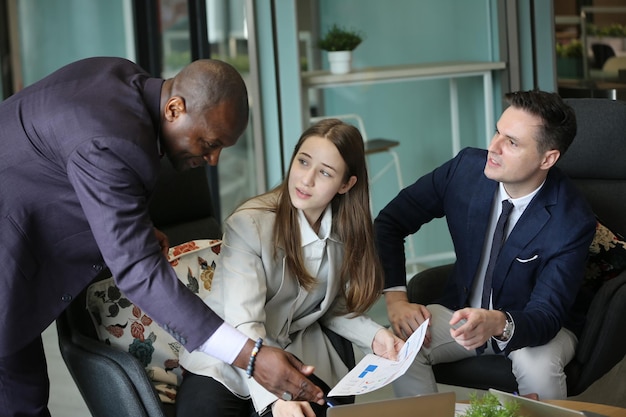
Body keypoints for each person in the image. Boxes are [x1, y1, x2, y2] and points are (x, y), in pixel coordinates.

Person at [0, 56, 325, 417]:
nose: (213, 159)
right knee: (18, 401)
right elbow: (140, 273)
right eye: (210, 142)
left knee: (24, 395)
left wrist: (131, 226)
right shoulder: (112, 139)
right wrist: (251, 357)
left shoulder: (123, 81)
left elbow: (68, 170)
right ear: (175, 109)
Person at [374, 90, 596, 400]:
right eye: (497, 131)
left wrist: (498, 323)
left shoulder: (571, 220)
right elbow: (389, 222)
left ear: (548, 158)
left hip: (537, 327)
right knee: (399, 345)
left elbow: (546, 315)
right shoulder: (466, 169)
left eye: (512, 142)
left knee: (537, 365)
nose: (493, 147)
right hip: (462, 310)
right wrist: (396, 299)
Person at [177, 118, 404, 417]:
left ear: (346, 184)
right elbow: (244, 323)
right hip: (227, 360)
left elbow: (328, 306)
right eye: (303, 162)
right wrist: (276, 396)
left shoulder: (344, 231)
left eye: (324, 172)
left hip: (293, 358)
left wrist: (374, 336)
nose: (306, 179)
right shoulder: (250, 224)